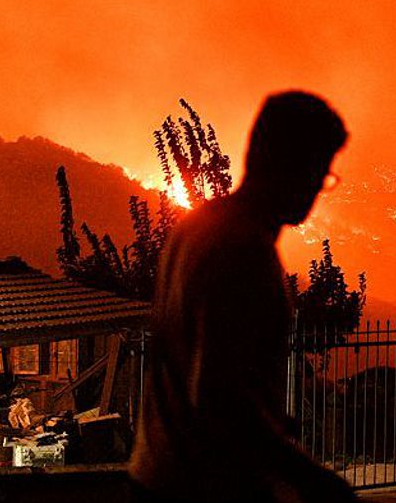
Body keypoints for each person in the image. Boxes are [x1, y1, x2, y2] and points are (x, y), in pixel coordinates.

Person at [129, 91, 356, 503]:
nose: (319, 188)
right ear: (287, 164)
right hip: (206, 487)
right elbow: (217, 396)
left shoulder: (195, 227)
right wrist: (312, 478)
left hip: (159, 473)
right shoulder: (242, 251)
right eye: (318, 171)